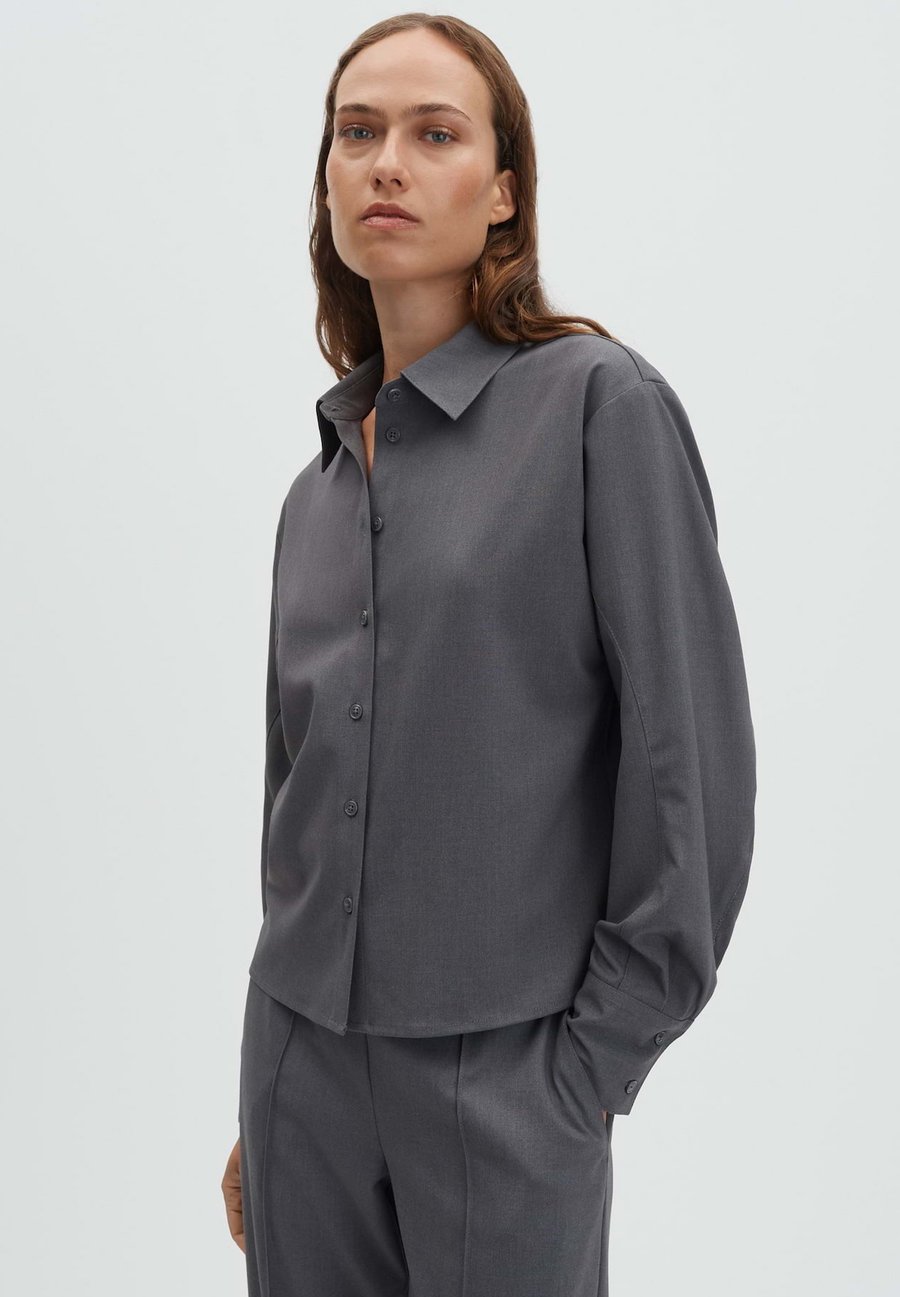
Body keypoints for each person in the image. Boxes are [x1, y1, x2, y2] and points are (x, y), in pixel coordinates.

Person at [221, 13, 757, 1297]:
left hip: (510, 1083)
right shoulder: (314, 489)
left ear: (503, 190)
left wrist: (585, 1075)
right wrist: (269, 1097)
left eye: (435, 134)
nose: (386, 164)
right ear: (326, 179)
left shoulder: (599, 409)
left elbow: (689, 772)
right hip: (300, 1068)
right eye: (358, 132)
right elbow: (294, 794)